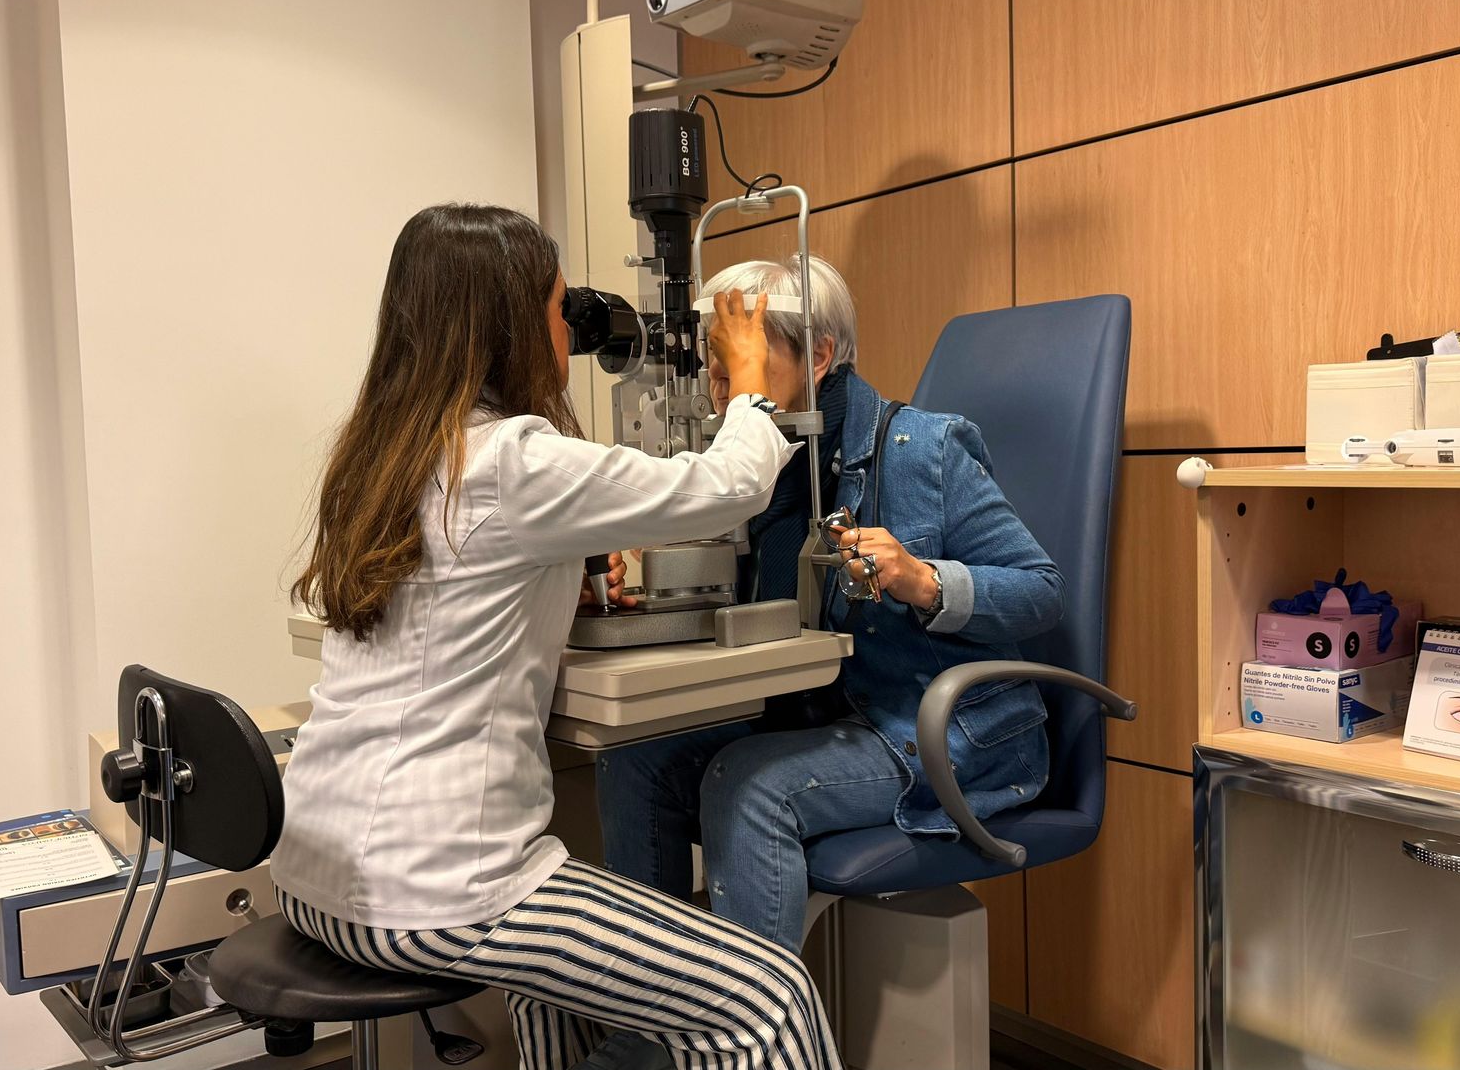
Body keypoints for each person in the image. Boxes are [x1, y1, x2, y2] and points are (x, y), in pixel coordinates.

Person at [270, 203, 844, 1070]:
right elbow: (726, 487)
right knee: (768, 995)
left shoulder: (380, 454)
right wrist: (753, 382)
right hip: (435, 891)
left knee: (555, 984)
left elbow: (446, 588)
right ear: (511, 324)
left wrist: (554, 574)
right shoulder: (511, 460)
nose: (565, 329)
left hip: (315, 875)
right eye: (556, 306)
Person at [596, 256, 1064, 950]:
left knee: (749, 783)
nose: (722, 400)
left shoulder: (922, 450)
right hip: (820, 720)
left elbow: (1041, 589)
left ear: (816, 356)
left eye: (743, 368)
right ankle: (656, 1022)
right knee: (633, 760)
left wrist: (923, 580)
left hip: (935, 732)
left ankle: (753, 1046)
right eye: (717, 375)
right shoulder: (769, 469)